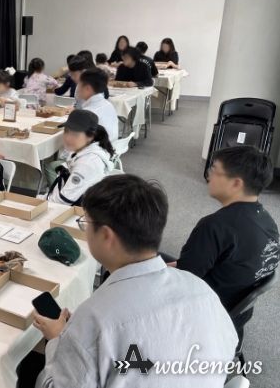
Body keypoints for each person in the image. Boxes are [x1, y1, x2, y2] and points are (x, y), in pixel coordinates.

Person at [34, 175, 238, 388]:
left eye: (86, 223)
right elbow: (229, 344)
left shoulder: (94, 319)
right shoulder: (202, 290)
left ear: (106, 235)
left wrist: (57, 340)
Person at [174, 146, 278, 341]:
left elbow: (183, 279)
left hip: (205, 312)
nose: (209, 175)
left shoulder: (215, 226)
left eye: (214, 169)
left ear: (236, 183)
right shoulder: (269, 223)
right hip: (237, 313)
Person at [46, 110, 115, 206]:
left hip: (77, 210)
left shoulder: (87, 163)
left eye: (75, 134)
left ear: (90, 137)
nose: (68, 138)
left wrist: (43, 203)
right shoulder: (83, 149)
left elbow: (63, 200)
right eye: (66, 131)